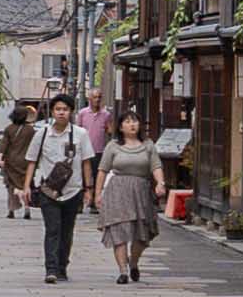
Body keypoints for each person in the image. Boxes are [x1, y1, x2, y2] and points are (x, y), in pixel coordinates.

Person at [27, 103, 91, 283]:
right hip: (49, 191)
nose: (61, 112)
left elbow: (86, 163)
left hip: (73, 190)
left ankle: (62, 266)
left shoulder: (81, 134)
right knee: (52, 229)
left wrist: (89, 189)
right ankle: (51, 269)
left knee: (67, 231)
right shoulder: (42, 134)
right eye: (58, 109)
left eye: (65, 109)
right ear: (53, 112)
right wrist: (27, 186)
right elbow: (32, 161)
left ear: (71, 112)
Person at [94, 116, 163, 284]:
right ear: (121, 127)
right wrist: (97, 194)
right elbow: (102, 170)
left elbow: (156, 166)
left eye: (135, 121)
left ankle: (133, 262)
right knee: (119, 230)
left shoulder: (148, 145)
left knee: (142, 234)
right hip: (118, 191)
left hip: (141, 191)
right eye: (127, 122)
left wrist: (161, 183)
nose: (132, 125)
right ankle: (123, 271)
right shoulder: (113, 146)